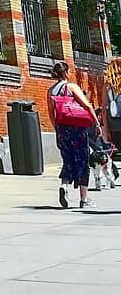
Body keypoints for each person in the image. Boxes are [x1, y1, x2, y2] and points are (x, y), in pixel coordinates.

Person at [47, 60, 101, 209]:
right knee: (83, 161)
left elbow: (51, 114)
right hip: (77, 129)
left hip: (62, 129)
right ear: (66, 73)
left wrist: (57, 129)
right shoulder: (71, 87)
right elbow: (87, 105)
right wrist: (96, 123)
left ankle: (64, 186)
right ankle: (84, 199)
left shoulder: (51, 91)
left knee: (68, 160)